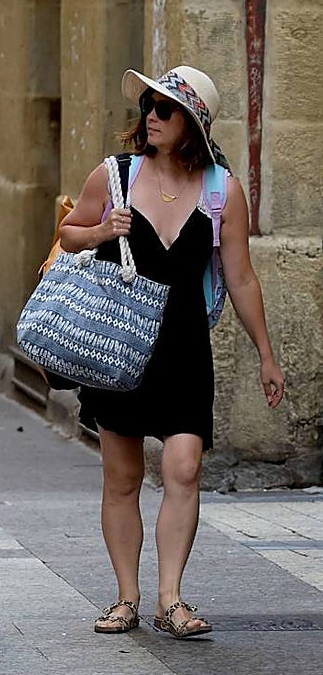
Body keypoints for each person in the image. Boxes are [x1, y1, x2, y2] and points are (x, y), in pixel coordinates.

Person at [58, 65, 285, 639]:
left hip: (184, 348)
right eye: (148, 107)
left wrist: (266, 354)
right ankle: (126, 598)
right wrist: (103, 231)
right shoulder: (114, 175)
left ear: (194, 124)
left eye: (165, 109)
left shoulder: (221, 191)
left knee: (184, 468)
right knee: (123, 475)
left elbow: (242, 278)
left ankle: (171, 598)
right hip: (116, 343)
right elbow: (69, 234)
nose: (151, 117)